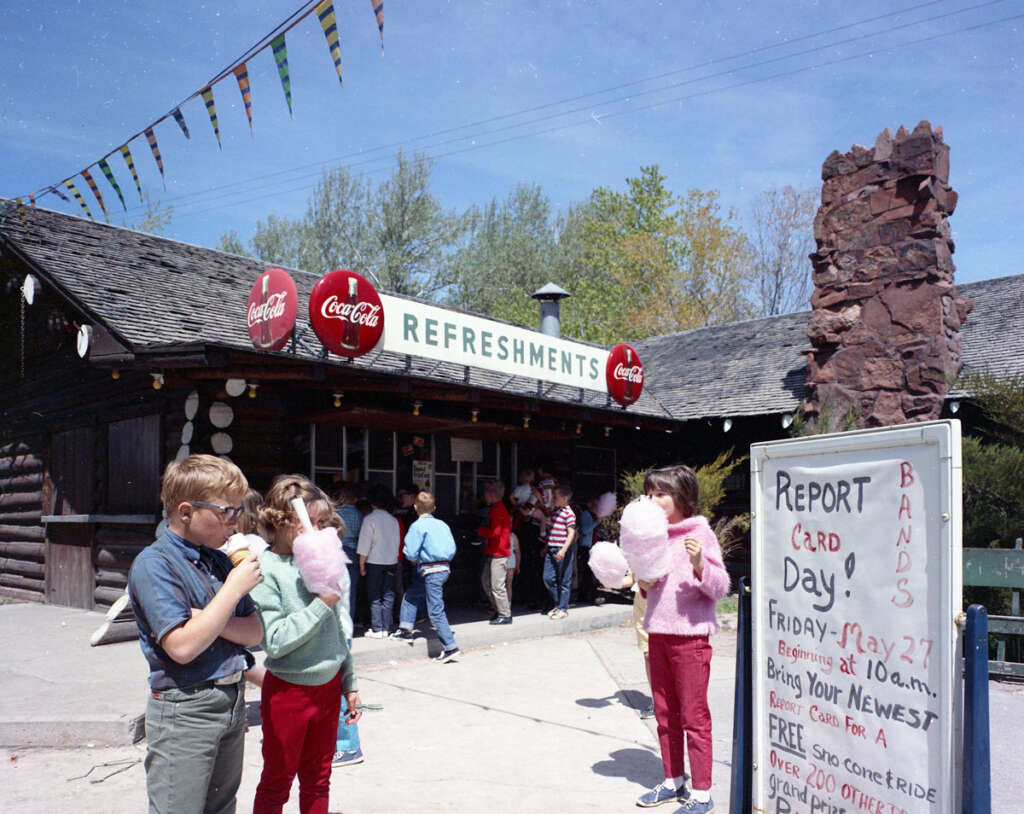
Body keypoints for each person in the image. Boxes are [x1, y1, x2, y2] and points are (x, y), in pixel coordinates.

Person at [127, 454, 263, 814]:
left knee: (221, 807)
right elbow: (183, 646)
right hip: (185, 706)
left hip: (231, 700)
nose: (235, 522)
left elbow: (254, 633)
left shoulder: (218, 559)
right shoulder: (155, 564)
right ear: (186, 511)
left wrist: (206, 618)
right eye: (226, 511)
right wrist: (231, 592)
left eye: (238, 510)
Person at [250, 475, 362, 813]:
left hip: (328, 690)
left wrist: (349, 681)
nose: (317, 530)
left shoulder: (315, 561)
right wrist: (321, 603)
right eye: (308, 522)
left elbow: (336, 630)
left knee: (318, 779)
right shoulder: (266, 570)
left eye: (321, 523)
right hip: (288, 693)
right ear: (282, 521)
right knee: (277, 782)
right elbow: (275, 640)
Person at [634, 465, 730, 812]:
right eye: (650, 493)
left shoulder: (699, 533)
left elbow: (720, 587)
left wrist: (700, 563)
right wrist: (639, 580)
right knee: (664, 714)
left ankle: (702, 792)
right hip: (657, 633)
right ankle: (673, 781)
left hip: (690, 639)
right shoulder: (652, 535)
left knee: (693, 716)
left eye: (661, 493)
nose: (652, 500)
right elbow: (648, 586)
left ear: (682, 498)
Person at [316, 511, 365, 768]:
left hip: (338, 635)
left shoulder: (332, 565)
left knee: (341, 693)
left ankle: (348, 746)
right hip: (336, 634)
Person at [396, 490, 461, 662]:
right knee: (413, 592)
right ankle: (405, 628)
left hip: (429, 569)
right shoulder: (443, 525)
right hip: (443, 568)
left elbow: (410, 552)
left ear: (415, 507)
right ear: (434, 508)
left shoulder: (417, 526)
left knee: (435, 611)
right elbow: (452, 548)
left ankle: (450, 646)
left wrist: (413, 558)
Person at [357, 485, 401, 638]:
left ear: (372, 502)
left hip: (374, 562)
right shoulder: (394, 520)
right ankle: (386, 628)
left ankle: (377, 628)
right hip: (391, 562)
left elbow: (364, 545)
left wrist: (362, 564)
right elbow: (397, 542)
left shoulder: (369, 519)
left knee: (374, 595)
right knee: (388, 594)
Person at [478, 480, 513, 625]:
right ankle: (499, 610)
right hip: (494, 551)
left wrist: (480, 530)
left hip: (499, 553)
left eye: (485, 494)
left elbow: (495, 532)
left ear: (491, 494)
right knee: (486, 582)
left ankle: (505, 614)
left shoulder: (498, 509)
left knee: (496, 585)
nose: (483, 497)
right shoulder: (497, 508)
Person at [543, 484, 576, 619]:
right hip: (551, 548)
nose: (553, 499)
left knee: (564, 579)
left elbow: (571, 533)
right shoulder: (556, 513)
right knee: (548, 578)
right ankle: (558, 603)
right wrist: (546, 546)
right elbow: (552, 531)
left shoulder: (569, 514)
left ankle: (563, 608)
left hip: (562, 550)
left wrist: (563, 550)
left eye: (555, 497)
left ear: (564, 498)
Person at [335, 485, 363, 629]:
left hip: (338, 551)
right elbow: (361, 535)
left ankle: (336, 624)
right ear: (355, 499)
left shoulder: (336, 514)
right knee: (351, 590)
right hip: (353, 551)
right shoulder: (359, 515)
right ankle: (348, 624)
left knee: (336, 588)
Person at [576, 496, 600, 605]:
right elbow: (585, 530)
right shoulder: (586, 515)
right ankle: (587, 596)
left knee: (589, 572)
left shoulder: (592, 515)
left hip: (591, 546)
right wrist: (596, 522)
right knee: (588, 572)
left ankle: (585, 595)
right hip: (585, 547)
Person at [504, 530, 521, 608]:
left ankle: (508, 605)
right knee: (499, 585)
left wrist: (517, 565)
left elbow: (517, 551)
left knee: (508, 584)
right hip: (500, 560)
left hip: (510, 561)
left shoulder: (513, 536)